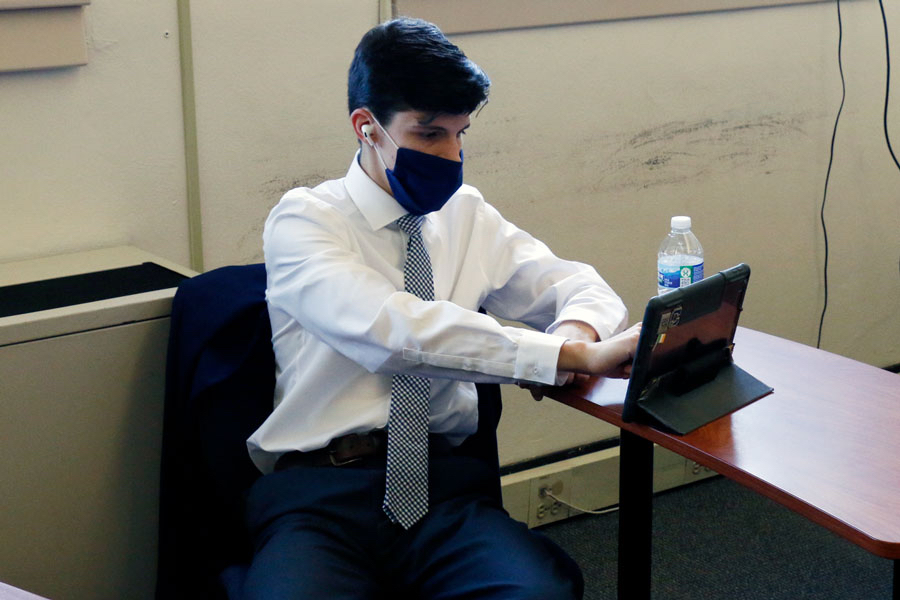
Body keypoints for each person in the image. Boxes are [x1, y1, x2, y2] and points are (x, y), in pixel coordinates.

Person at [242, 17, 641, 600]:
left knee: (538, 593)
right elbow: (395, 333)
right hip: (322, 494)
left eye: (461, 134)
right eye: (429, 134)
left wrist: (575, 333)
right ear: (367, 128)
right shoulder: (306, 219)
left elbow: (577, 284)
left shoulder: (465, 214)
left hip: (444, 488)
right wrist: (565, 354)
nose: (451, 155)